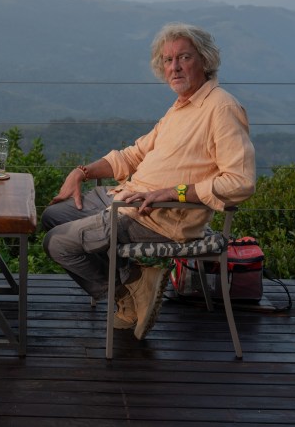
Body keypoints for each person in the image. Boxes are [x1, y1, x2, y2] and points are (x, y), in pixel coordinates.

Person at [42, 22, 256, 340]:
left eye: (184, 57)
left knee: (57, 243)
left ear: (205, 60)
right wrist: (80, 173)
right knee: (51, 216)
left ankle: (124, 294)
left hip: (158, 217)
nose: (174, 67)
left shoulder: (221, 108)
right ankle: (135, 278)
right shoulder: (180, 108)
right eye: (168, 60)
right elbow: (132, 155)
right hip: (127, 197)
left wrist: (176, 192)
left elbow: (240, 182)